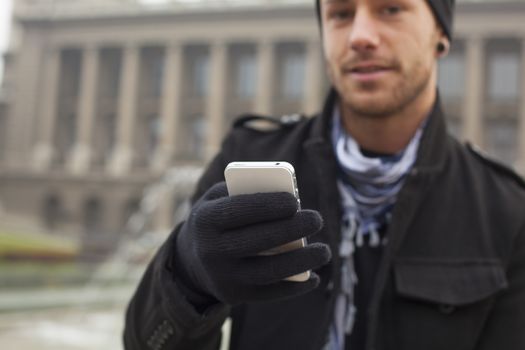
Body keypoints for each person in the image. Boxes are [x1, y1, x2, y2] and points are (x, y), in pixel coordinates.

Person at [124, 0, 525, 349]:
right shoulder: (247, 159)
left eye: (391, 9)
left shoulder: (507, 211)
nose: (360, 36)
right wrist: (187, 280)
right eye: (340, 13)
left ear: (441, 33)